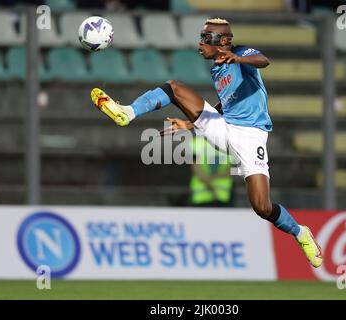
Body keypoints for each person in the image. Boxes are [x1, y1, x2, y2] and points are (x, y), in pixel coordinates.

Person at [90, 18, 323, 268]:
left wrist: (239, 59)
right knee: (174, 88)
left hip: (249, 135)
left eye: (205, 39)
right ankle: (127, 112)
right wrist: (190, 124)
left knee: (262, 206)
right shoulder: (217, 68)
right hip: (223, 127)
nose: (200, 44)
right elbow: (228, 103)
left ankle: (300, 233)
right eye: (200, 38)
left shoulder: (241, 52)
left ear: (223, 42)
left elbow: (264, 61)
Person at [189, 135, 234, 207]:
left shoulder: (230, 143)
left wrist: (210, 180)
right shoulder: (197, 143)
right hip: (203, 199)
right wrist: (214, 191)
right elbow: (196, 170)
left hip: (222, 198)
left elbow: (234, 170)